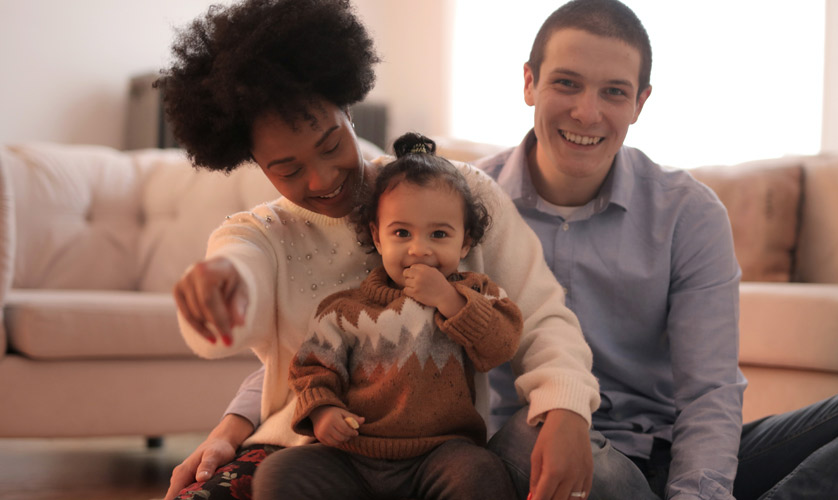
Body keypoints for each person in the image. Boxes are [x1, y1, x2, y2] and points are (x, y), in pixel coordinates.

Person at [475, 1, 838, 499]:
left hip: (666, 447)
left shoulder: (688, 212)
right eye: (566, 83)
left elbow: (709, 391)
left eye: (614, 92)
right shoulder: (465, 204)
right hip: (543, 445)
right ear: (528, 83)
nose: (588, 111)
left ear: (640, 103)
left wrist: (698, 492)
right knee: (535, 431)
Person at [157, 1, 598, 500]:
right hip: (314, 451)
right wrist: (222, 280)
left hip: (442, 452)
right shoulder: (263, 235)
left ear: (349, 108)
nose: (322, 179)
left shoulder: (454, 194)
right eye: (288, 168)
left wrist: (565, 405)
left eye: (330, 144)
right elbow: (247, 277)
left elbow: (537, 319)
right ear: (254, 163)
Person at [252, 132, 521, 499]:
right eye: (402, 233)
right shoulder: (346, 310)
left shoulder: (474, 294)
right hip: (353, 457)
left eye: (439, 234)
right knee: (281, 473)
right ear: (378, 239)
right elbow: (311, 369)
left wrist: (450, 300)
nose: (419, 249)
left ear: (466, 242)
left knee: (481, 473)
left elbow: (502, 344)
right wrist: (323, 412)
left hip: (442, 455)